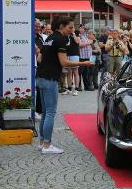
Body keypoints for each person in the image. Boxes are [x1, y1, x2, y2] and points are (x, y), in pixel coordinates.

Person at [36, 16, 92, 154]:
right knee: (50, 112)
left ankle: (42, 143)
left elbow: (39, 58)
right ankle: (48, 146)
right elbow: (64, 62)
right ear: (61, 26)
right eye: (70, 27)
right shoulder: (60, 39)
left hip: (41, 77)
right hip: (50, 79)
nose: (72, 30)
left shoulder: (49, 38)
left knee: (44, 112)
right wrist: (83, 63)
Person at [65, 29, 81, 96]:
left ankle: (76, 89)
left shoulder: (76, 35)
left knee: (75, 72)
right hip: (67, 55)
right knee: (69, 72)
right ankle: (69, 89)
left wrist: (73, 33)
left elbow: (77, 42)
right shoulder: (66, 36)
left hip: (74, 55)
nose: (70, 30)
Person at [78, 25, 93, 91]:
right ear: (79, 29)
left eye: (84, 28)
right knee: (79, 72)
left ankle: (86, 86)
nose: (83, 29)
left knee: (86, 73)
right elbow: (80, 45)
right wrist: (88, 42)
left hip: (87, 57)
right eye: (82, 28)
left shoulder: (85, 36)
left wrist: (88, 42)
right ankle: (78, 86)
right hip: (81, 57)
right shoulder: (78, 36)